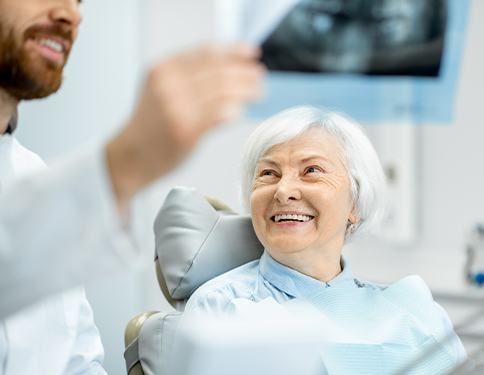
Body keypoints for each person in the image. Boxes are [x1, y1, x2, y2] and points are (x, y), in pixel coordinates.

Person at [0, 0, 264, 373]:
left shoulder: (31, 172)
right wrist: (124, 163)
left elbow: (79, 361)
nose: (71, 14)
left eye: (78, 1)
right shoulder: (55, 197)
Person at [184, 106, 466, 374]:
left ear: (354, 203)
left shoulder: (414, 310)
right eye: (269, 173)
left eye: (311, 171)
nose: (283, 191)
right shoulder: (223, 307)